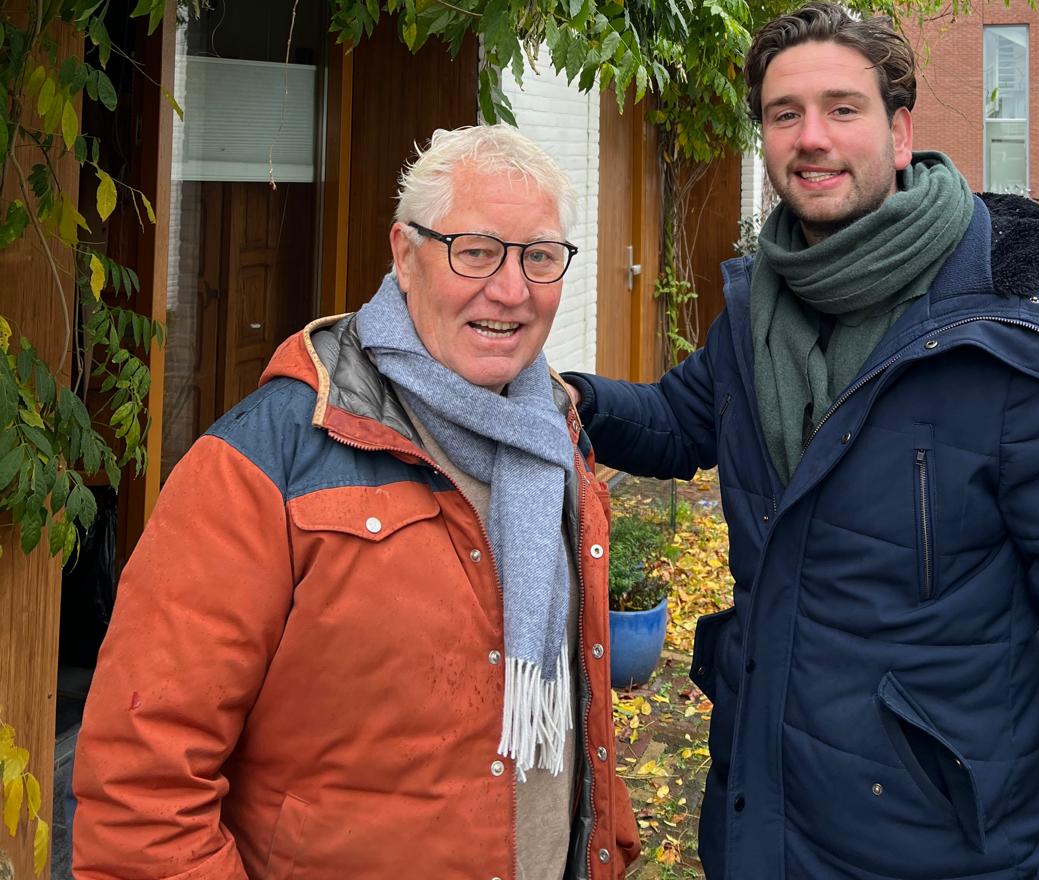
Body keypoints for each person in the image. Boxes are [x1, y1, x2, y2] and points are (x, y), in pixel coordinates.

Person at [564, 2, 1039, 880]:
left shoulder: (1020, 342)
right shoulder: (757, 309)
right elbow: (680, 420)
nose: (812, 136)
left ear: (899, 133)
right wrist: (558, 398)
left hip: (940, 843)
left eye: (842, 109)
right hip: (763, 815)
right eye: (785, 113)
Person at [73, 124, 639, 880]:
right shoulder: (266, 458)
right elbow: (141, 791)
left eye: (539, 257)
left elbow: (572, 706)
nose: (510, 290)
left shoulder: (552, 439)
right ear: (404, 256)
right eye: (474, 251)